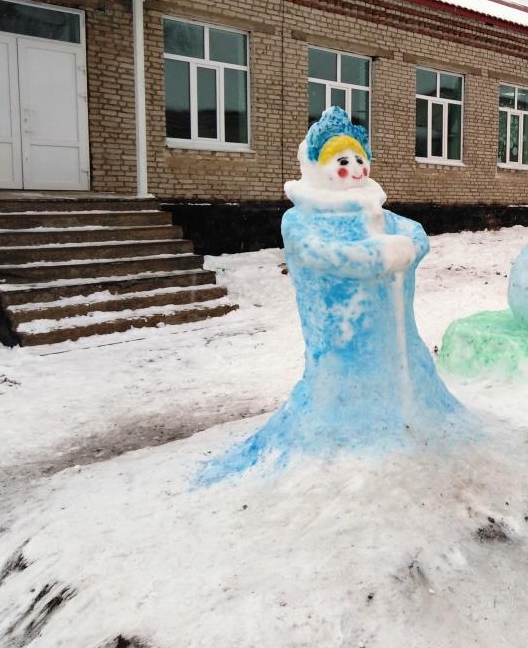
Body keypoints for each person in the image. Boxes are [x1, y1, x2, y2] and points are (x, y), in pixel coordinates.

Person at [199, 107, 465, 483]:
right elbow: (322, 255)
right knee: (347, 394)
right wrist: (381, 256)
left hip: (400, 345)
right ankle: (349, 434)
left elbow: (416, 234)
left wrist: (407, 247)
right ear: (317, 166)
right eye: (342, 161)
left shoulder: (380, 215)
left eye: (360, 159)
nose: (355, 169)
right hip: (342, 348)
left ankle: (411, 416)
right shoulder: (302, 220)